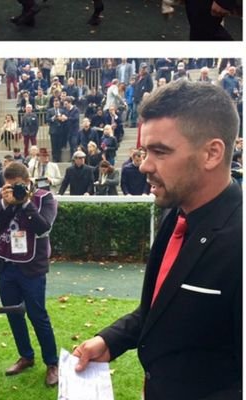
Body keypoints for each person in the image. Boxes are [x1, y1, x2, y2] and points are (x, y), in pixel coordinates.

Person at [73, 80, 242, 400]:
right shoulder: (175, 214)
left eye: (160, 152)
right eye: (145, 151)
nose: (145, 165)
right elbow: (158, 311)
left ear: (212, 153)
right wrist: (110, 340)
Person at [0, 162, 59, 387]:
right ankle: (26, 356)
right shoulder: (2, 195)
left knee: (38, 315)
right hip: (6, 265)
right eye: (8, 185)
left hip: (32, 267)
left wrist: (25, 203)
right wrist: (4, 204)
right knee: (14, 314)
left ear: (27, 182)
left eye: (17, 186)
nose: (13, 189)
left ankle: (52, 363)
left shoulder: (44, 198)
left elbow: (44, 228)